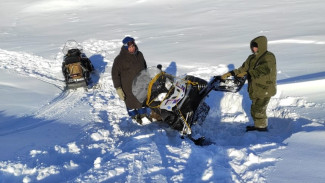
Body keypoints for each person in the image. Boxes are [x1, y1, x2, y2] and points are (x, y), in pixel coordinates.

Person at [221, 36, 277, 132]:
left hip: (266, 88)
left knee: (259, 109)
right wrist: (231, 73)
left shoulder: (269, 56)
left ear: (261, 46)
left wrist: (248, 73)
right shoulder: (251, 58)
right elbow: (243, 68)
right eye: (252, 47)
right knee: (255, 108)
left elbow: (264, 69)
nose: (253, 49)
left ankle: (261, 129)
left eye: (255, 46)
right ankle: (258, 126)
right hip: (255, 88)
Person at [112, 36, 150, 124]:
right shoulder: (119, 59)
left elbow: (145, 67)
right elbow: (115, 75)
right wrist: (118, 88)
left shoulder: (139, 54)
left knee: (141, 99)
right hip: (127, 86)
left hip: (140, 83)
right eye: (130, 47)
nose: (132, 48)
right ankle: (134, 116)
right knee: (130, 101)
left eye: (133, 46)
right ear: (126, 48)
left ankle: (143, 115)